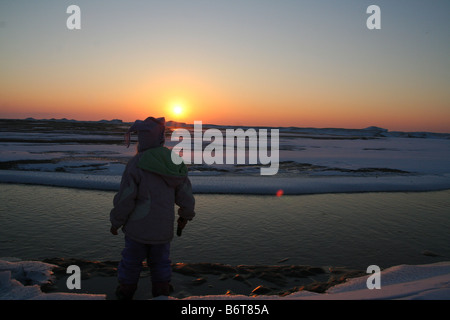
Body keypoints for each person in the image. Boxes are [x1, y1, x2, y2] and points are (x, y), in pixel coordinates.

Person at [110, 116, 195, 299]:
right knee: (161, 262)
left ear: (141, 139)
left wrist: (116, 221)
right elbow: (185, 193)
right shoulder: (173, 161)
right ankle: (161, 291)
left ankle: (126, 291)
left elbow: (126, 198)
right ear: (161, 137)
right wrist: (185, 215)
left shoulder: (136, 163)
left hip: (137, 229)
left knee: (131, 261)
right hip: (163, 229)